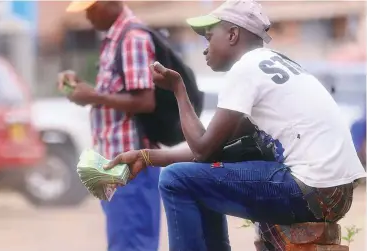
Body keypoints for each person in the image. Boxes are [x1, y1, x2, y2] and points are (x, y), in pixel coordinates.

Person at [104, 0, 367, 250]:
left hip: (310, 188)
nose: (205, 48)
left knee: (175, 179)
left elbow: (203, 150)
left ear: (232, 35)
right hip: (336, 195)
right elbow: (213, 147)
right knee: (195, 176)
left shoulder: (246, 68)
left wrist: (178, 90)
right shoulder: (275, 64)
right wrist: (147, 156)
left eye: (209, 37)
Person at [59, 1, 160, 251]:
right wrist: (85, 90)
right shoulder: (114, 38)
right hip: (114, 164)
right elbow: (116, 95)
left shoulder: (132, 37)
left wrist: (93, 97)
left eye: (90, 9)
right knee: (122, 242)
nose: (87, 16)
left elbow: (145, 101)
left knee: (132, 244)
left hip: (131, 165)